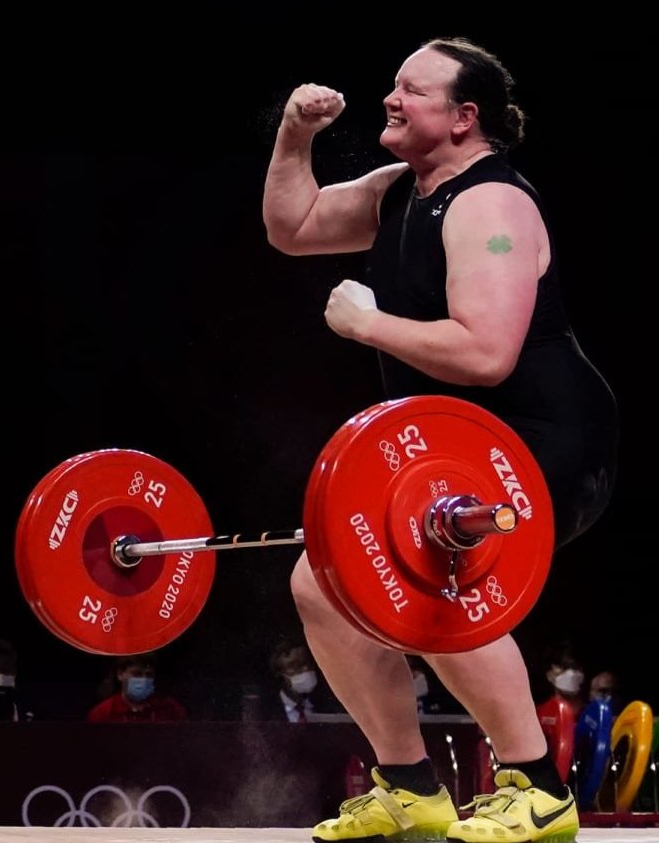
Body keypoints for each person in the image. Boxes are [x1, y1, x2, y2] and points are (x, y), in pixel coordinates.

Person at [263, 36, 619, 843]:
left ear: (465, 117)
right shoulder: (400, 192)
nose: (390, 99)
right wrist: (294, 135)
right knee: (323, 580)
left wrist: (368, 324)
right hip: (454, 450)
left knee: (428, 566)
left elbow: (486, 354)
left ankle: (538, 789)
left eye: (412, 91)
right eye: (393, 85)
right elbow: (293, 225)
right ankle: (409, 786)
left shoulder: (491, 205)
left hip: (545, 439)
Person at [86, 651, 188, 723]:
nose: (143, 679)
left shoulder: (171, 709)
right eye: (137, 674)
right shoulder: (102, 714)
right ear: (120, 674)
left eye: (148, 675)